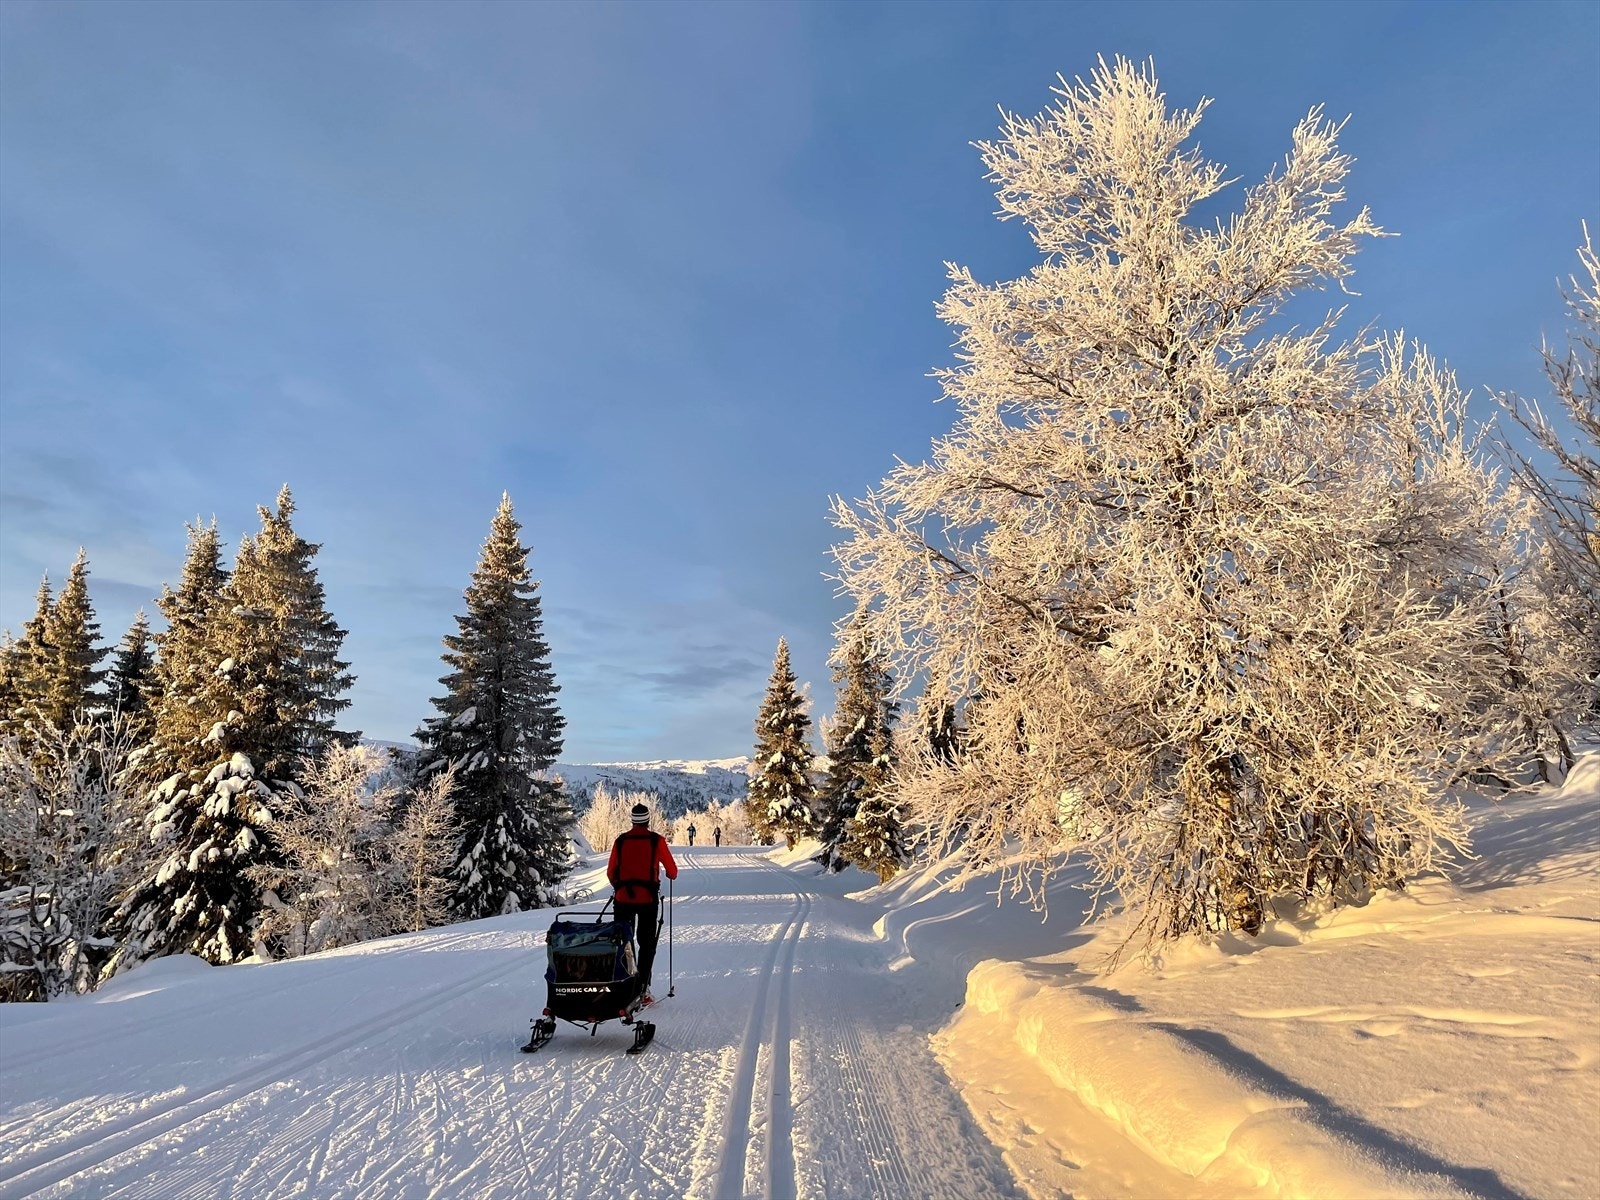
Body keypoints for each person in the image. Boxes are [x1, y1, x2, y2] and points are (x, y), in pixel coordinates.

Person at [607, 803, 678, 1002]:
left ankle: (624, 985)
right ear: (648, 820)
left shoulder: (620, 841)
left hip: (622, 900)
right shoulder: (657, 841)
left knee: (624, 942)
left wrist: (619, 886)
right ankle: (643, 989)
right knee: (646, 944)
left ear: (632, 820)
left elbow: (611, 872)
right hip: (647, 900)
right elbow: (672, 872)